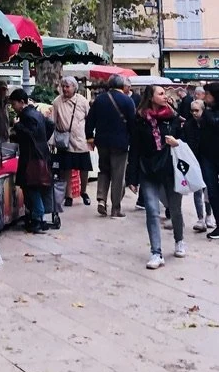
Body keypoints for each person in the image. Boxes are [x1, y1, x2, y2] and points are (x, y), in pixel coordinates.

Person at [127, 84, 185, 268]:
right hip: (148, 170)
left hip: (170, 169)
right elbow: (134, 149)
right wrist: (132, 177)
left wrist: (177, 142)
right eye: (161, 93)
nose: (165, 96)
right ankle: (156, 252)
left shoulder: (172, 116)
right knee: (152, 211)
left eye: (165, 93)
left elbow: (184, 140)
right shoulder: (139, 119)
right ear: (151, 97)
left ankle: (179, 240)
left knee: (174, 209)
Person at [86, 74, 136, 218]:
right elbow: (132, 124)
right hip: (120, 143)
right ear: (122, 86)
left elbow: (90, 120)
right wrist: (132, 141)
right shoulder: (128, 101)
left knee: (104, 170)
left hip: (102, 142)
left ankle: (101, 199)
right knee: (118, 175)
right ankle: (115, 208)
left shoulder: (99, 99)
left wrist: (90, 137)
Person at [9, 89, 52, 234]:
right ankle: (37, 217)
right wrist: (43, 140)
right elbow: (50, 125)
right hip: (40, 154)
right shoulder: (37, 113)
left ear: (22, 102)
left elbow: (29, 134)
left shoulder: (27, 116)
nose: (13, 107)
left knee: (31, 187)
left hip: (32, 157)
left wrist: (17, 126)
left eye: (14, 104)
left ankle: (38, 218)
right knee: (33, 187)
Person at [52, 76, 92, 206]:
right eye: (63, 86)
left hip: (81, 140)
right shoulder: (57, 102)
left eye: (67, 86)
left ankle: (84, 191)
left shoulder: (82, 101)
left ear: (74, 87)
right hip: (65, 141)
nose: (65, 89)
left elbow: (89, 119)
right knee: (66, 169)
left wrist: (91, 138)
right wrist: (52, 140)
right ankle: (68, 195)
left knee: (84, 168)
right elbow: (53, 121)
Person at [182, 99, 214, 233]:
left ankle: (208, 215)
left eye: (197, 110)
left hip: (207, 161)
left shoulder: (209, 124)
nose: (195, 113)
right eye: (192, 110)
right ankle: (200, 218)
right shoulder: (188, 125)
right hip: (194, 161)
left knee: (208, 190)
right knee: (197, 190)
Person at [199, 82, 219, 239]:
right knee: (211, 192)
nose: (205, 97)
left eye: (208, 94)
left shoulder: (208, 113)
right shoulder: (206, 111)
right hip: (208, 158)